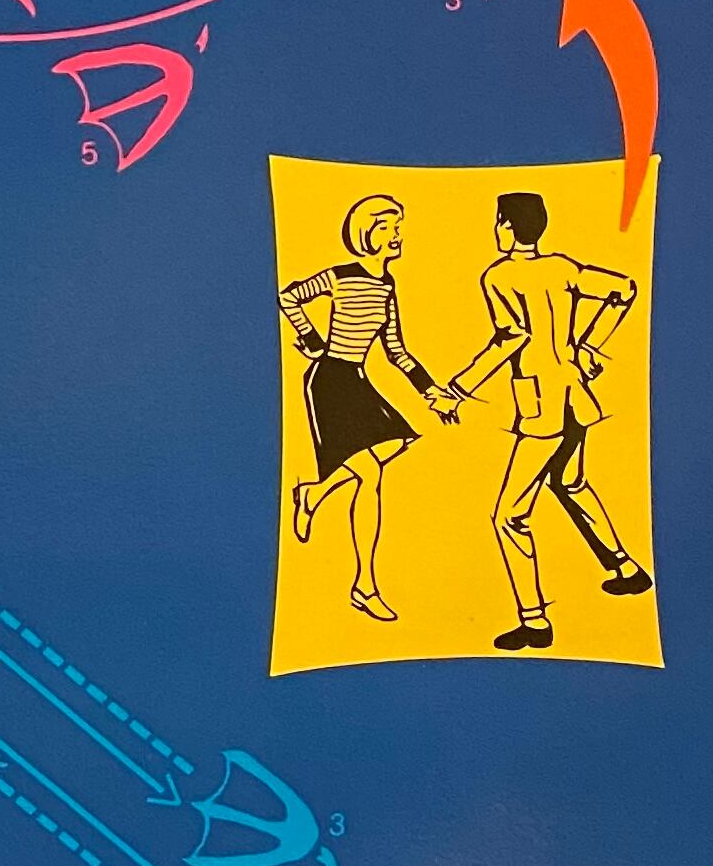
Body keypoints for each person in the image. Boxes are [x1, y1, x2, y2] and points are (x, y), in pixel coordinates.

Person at [433, 191, 653, 650]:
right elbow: (624, 290)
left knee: (509, 516)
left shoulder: (499, 275)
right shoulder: (562, 268)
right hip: (576, 397)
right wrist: (590, 346)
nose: (497, 229)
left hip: (542, 406)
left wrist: (458, 388)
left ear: (509, 226)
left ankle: (535, 622)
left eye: (499, 220)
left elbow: (510, 338)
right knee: (570, 483)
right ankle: (627, 569)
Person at [279, 194, 452, 621]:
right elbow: (289, 296)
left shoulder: (387, 287)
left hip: (357, 380)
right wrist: (312, 340)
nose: (397, 235)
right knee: (370, 474)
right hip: (329, 381)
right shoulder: (340, 277)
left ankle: (313, 493)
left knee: (392, 445)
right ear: (366, 233)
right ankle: (364, 587)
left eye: (399, 227)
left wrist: (432, 392)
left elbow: (397, 352)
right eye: (387, 227)